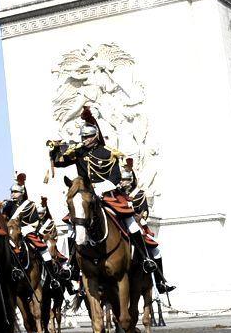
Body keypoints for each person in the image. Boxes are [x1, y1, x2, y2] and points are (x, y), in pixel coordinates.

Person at [49, 107, 167, 286]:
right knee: (73, 227)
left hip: (107, 196)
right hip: (87, 198)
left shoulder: (108, 153)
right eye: (82, 137)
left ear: (95, 136)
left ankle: (145, 260)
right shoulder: (78, 152)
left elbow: (115, 178)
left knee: (132, 224)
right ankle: (72, 266)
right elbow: (59, 162)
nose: (84, 140)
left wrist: (98, 188)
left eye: (87, 137)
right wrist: (55, 149)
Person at [118, 156, 176, 293]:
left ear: (131, 180)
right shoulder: (117, 194)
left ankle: (160, 282)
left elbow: (144, 212)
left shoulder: (139, 194)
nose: (122, 182)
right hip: (119, 224)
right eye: (121, 180)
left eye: (125, 180)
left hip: (136, 224)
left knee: (156, 250)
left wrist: (138, 217)